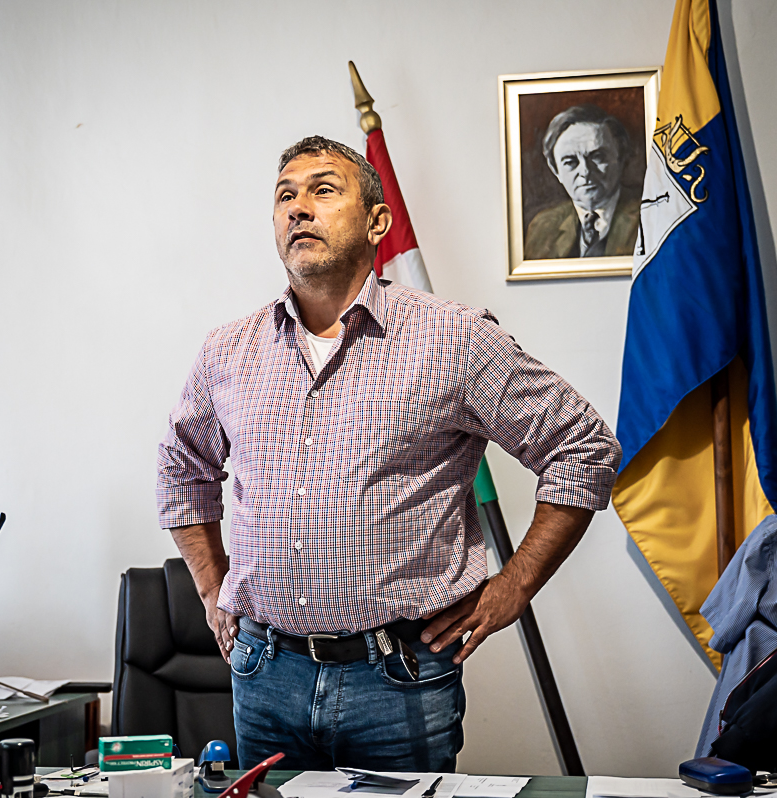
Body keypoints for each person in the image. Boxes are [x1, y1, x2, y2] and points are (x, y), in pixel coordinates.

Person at [157, 135, 621, 771]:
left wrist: (517, 584)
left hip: (398, 679)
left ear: (378, 222)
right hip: (264, 676)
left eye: (323, 190)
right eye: (285, 196)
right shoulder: (229, 350)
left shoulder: (452, 337)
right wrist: (213, 589)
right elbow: (183, 470)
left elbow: (582, 445)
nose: (298, 208)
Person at [524, 104, 640, 260]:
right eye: (570, 162)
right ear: (556, 170)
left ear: (620, 158)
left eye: (597, 157)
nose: (585, 171)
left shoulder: (649, 215)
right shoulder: (542, 226)